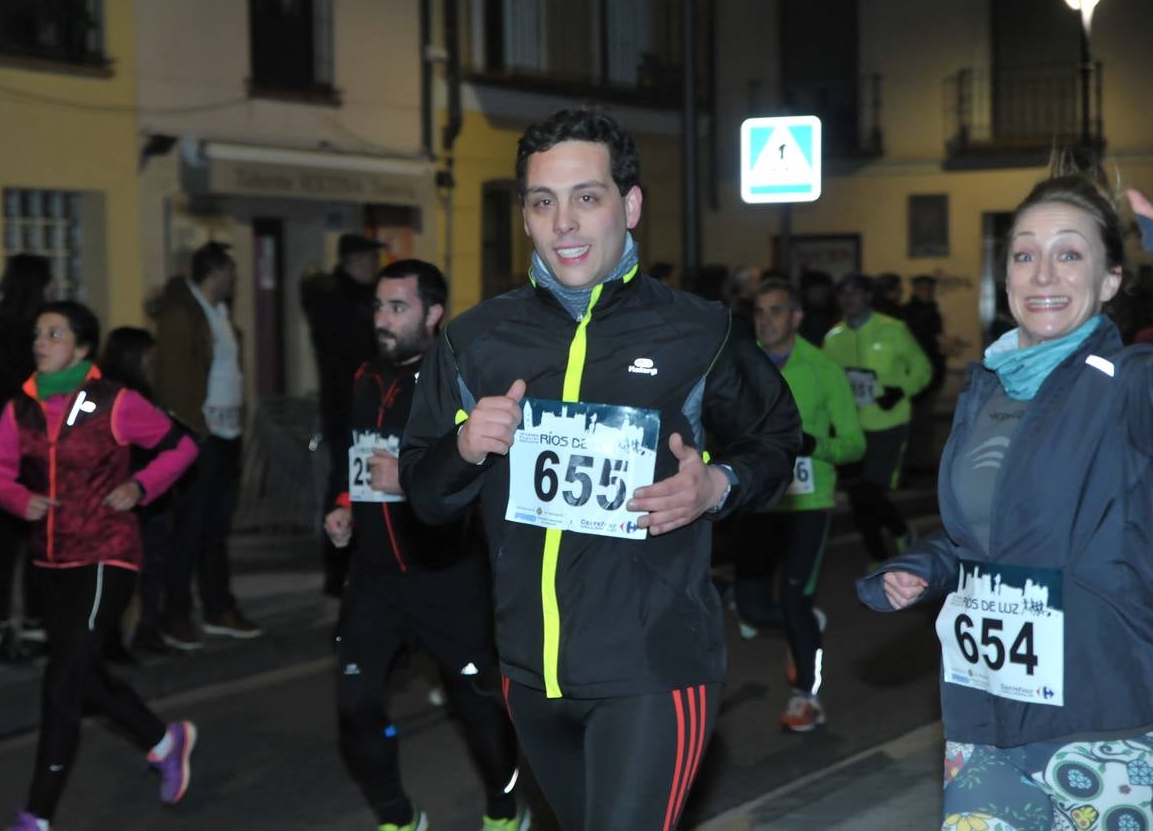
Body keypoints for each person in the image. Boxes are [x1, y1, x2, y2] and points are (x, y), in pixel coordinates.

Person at [400, 107, 801, 830]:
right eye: (542, 201)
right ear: (524, 216)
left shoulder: (697, 331)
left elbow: (777, 439)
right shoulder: (475, 340)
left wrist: (717, 485)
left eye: (587, 197)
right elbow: (423, 498)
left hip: (653, 669)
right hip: (529, 675)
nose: (565, 224)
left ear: (631, 204)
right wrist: (462, 449)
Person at [860, 139, 1153, 831]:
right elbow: (984, 540)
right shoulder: (985, 385)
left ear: (1112, 279)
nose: (1043, 272)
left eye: (1070, 253)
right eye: (1025, 253)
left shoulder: (1135, 384)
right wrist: (924, 565)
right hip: (985, 719)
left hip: (1104, 719)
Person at [323, 259, 527, 831]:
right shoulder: (364, 378)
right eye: (379, 307)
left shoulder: (458, 380)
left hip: (445, 573)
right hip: (373, 577)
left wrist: (412, 481)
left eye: (397, 307)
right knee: (355, 705)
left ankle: (506, 809)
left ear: (433, 314)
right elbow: (358, 460)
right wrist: (343, 506)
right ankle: (397, 817)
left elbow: (486, 474)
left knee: (477, 705)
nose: (382, 320)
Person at [0, 301, 200, 830]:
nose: (40, 342)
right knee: (84, 676)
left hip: (108, 553)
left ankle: (36, 815)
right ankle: (164, 740)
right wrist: (18, 498)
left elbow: (183, 446)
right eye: (38, 333)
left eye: (53, 334)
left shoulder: (114, 403)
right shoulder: (21, 409)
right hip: (51, 560)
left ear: (81, 348)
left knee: (61, 683)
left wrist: (141, 486)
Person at [743, 279, 865, 733]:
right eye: (759, 311)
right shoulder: (743, 363)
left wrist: (814, 445)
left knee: (793, 598)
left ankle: (806, 698)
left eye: (776, 311)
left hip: (807, 502)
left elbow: (853, 445)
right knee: (751, 606)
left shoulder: (822, 367)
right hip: (757, 499)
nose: (765, 320)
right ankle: (805, 625)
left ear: (795, 317)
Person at [153, 242, 262, 649]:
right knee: (188, 529)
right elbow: (175, 379)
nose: (235, 280)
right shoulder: (182, 313)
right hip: (200, 437)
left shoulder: (218, 314)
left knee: (215, 529)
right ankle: (175, 613)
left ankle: (218, 606)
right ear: (215, 271)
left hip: (226, 435)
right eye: (232, 271)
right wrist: (191, 433)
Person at [823, 272, 932, 562]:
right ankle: (885, 550)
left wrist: (901, 390)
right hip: (849, 428)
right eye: (842, 293)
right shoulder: (833, 339)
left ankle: (890, 543)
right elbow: (828, 384)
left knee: (868, 492)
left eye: (855, 292)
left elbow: (923, 369)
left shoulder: (893, 330)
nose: (848, 298)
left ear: (868, 296)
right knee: (861, 494)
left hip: (888, 424)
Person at [301, 232, 387, 598]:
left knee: (367, 487)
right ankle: (338, 569)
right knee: (346, 488)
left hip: (367, 412)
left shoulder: (359, 298)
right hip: (348, 414)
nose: (375, 267)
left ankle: (356, 565)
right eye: (369, 260)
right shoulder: (336, 300)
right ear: (353, 262)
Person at [0, 253, 54, 664]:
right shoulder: (37, 336)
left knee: (5, 544)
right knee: (32, 539)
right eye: (48, 283)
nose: (54, 289)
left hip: (2, 445)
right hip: (30, 447)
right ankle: (32, 624)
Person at [98, 326, 181, 658]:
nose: (153, 363)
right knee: (127, 567)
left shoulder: (135, 394)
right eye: (148, 356)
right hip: (132, 491)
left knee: (150, 562)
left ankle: (145, 628)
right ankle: (116, 637)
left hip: (148, 490)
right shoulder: (120, 398)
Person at [903, 274, 950, 473]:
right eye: (922, 288)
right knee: (917, 419)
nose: (926, 292)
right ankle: (916, 461)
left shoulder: (932, 311)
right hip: (917, 372)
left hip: (930, 370)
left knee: (924, 418)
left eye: (928, 288)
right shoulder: (911, 313)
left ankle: (920, 459)